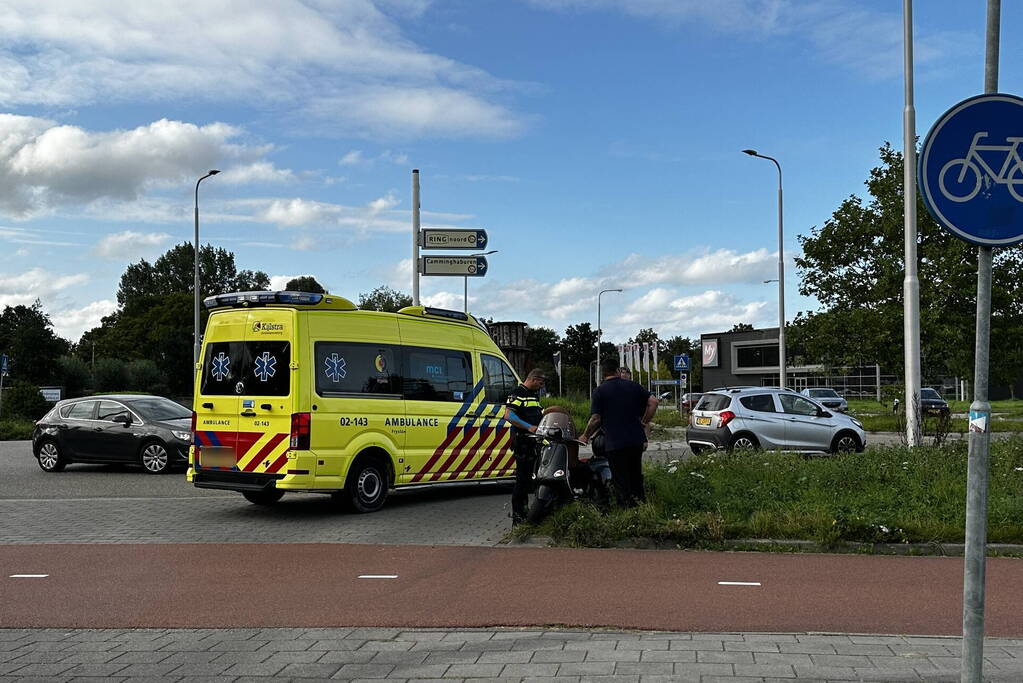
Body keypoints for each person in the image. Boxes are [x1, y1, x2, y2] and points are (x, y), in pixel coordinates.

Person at [580, 358, 657, 507]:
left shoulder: (599, 391)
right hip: (636, 440)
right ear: (617, 370)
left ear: (602, 374)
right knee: (635, 474)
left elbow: (596, 418)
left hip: (615, 442)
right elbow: (653, 402)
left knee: (620, 478)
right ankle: (640, 505)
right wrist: (644, 422)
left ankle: (625, 508)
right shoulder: (634, 386)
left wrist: (585, 435)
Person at [504, 369, 546, 524]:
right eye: (541, 382)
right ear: (533, 379)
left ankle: (527, 513)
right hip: (522, 442)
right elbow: (509, 415)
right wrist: (528, 427)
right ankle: (518, 517)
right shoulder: (518, 393)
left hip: (533, 442)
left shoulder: (533, 395)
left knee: (529, 480)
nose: (542, 386)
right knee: (522, 481)